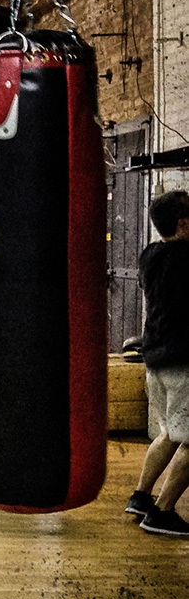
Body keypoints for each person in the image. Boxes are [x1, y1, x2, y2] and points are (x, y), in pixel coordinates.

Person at [126, 190, 189, 536]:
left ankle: (141, 496)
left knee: (170, 433)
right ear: (182, 224)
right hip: (181, 360)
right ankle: (162, 512)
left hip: (156, 358)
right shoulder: (185, 257)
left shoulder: (151, 254)